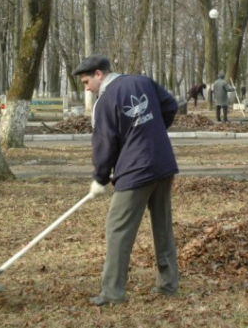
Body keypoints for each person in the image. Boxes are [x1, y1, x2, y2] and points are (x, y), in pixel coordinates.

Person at [72, 54, 179, 306]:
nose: (86, 88)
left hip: (136, 171)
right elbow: (171, 106)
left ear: (99, 74)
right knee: (162, 225)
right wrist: (150, 134)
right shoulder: (143, 81)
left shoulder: (105, 100)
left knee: (117, 228)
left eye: (87, 82)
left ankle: (112, 294)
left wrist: (100, 178)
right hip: (163, 163)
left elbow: (104, 144)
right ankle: (168, 285)